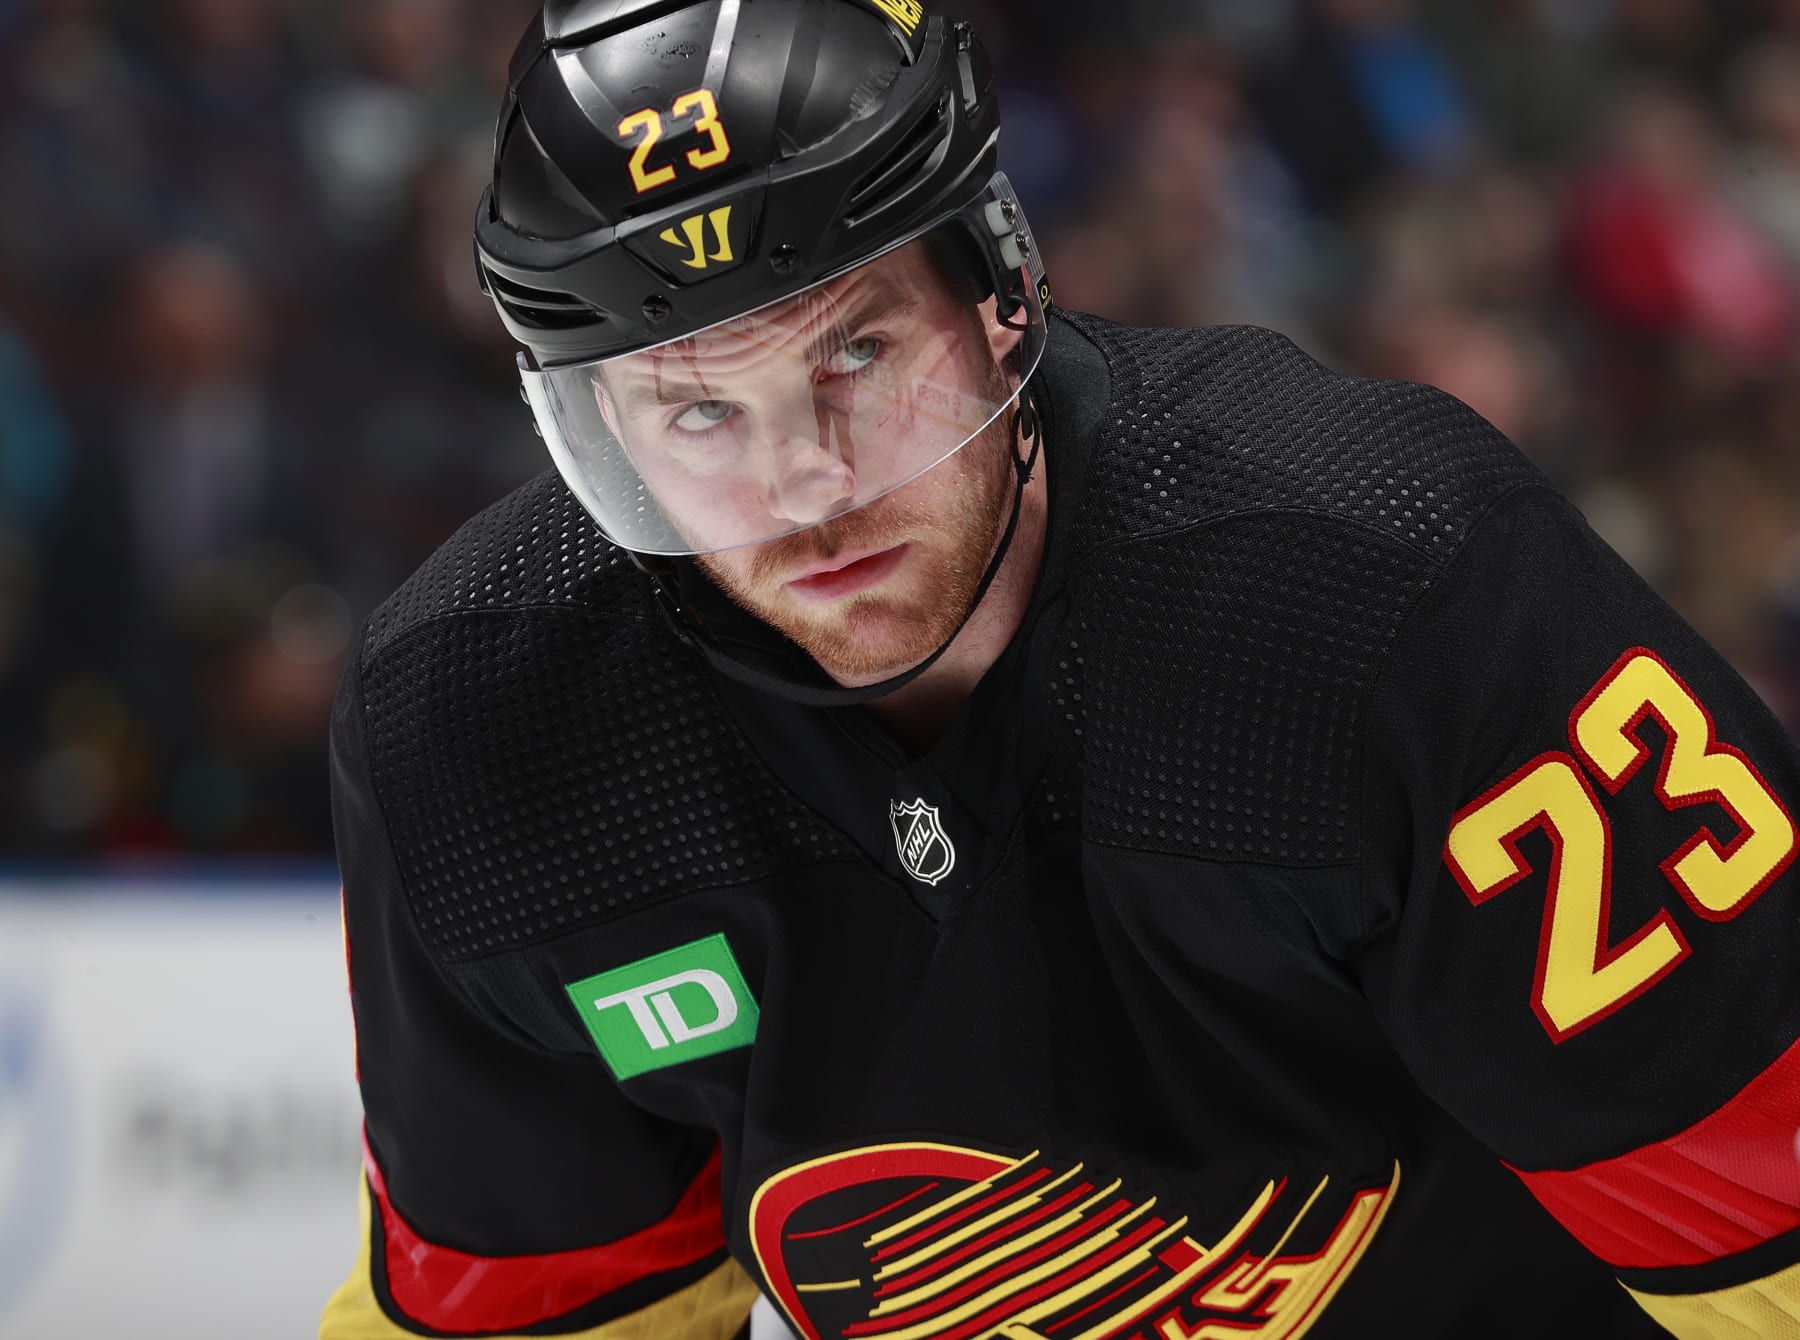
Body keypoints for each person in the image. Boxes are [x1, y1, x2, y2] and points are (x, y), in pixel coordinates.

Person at [321, 2, 1800, 1336]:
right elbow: (529, 1314)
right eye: (698, 416)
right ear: (600, 440)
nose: (806, 485)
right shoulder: (475, 738)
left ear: (1000, 292)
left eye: (853, 357)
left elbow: (1773, 1229)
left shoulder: (1389, 588)